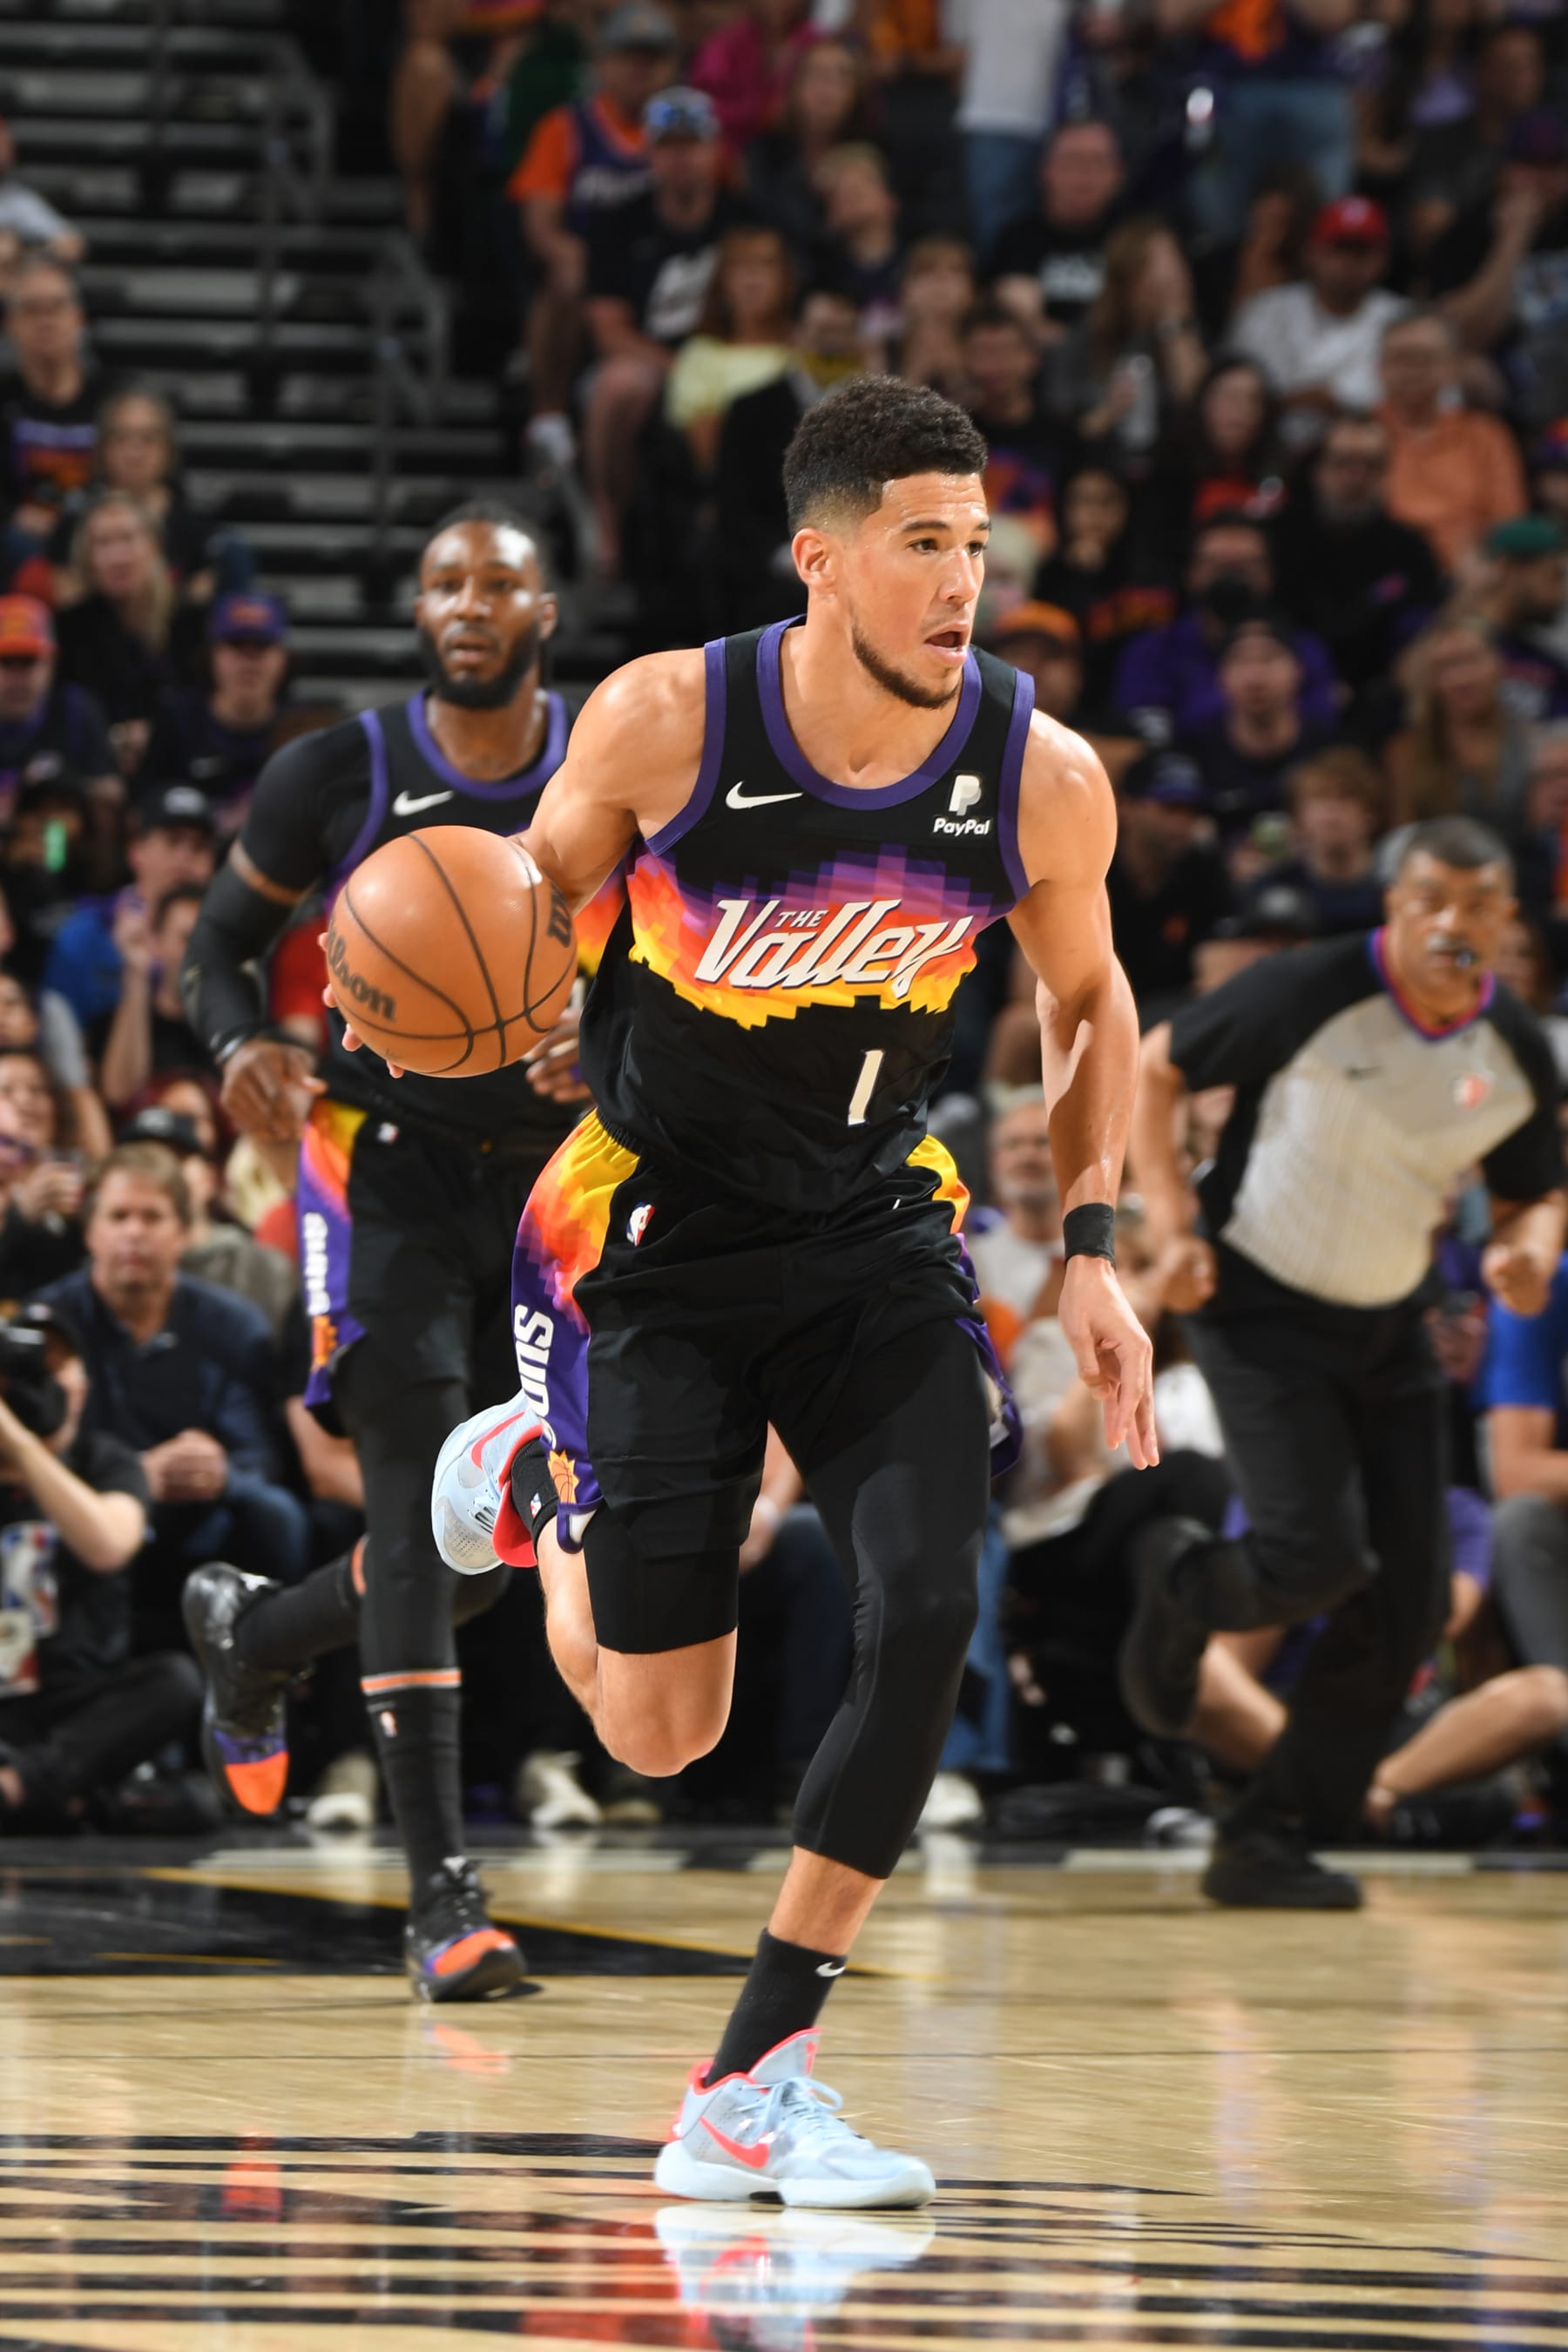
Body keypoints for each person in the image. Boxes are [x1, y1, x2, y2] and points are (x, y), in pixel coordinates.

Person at [426, 375, 1156, 2204]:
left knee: (926, 1611)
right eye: (923, 544)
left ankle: (755, 2073)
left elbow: (1089, 1005)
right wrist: (492, 967)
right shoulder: (674, 717)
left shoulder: (1038, 769)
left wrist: (1090, 1251)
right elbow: (528, 914)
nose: (961, 583)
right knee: (658, 1727)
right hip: (653, 1235)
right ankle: (532, 1495)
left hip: (875, 1231)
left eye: (979, 547)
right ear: (821, 559)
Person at [177, 504, 613, 2004]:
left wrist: (600, 1034)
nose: (469, 602)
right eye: (443, 581)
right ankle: (444, 1901)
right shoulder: (337, 771)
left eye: (498, 579)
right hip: (380, 1164)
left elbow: (684, 947)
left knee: (488, 1546)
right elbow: (214, 943)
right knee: (426, 1496)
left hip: (552, 1174)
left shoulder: (608, 765)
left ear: (547, 604)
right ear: (418, 610)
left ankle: (255, 1635)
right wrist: (238, 1041)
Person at [1125, 816, 1565, 1907]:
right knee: (1313, 1561)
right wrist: (1174, 1223)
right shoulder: (1309, 989)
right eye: (1431, 902)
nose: (1453, 925)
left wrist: (1525, 1250)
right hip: (1257, 1303)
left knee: (1409, 1607)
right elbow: (1155, 1068)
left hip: (1388, 1326)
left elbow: (1533, 1187)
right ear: (1396, 909)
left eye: (1478, 905)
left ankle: (1268, 1835)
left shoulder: (1511, 1046)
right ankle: (1183, 1586)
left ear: (1509, 918)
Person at [33, 1143, 310, 1652]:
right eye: (118, 1216)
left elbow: (263, 1458)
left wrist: (222, 1472)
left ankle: (274, 1678)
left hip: (203, 1517)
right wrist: (135, 1476)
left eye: (152, 1217)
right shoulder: (48, 1326)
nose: (134, 1232)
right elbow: (36, 1462)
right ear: (91, 1232)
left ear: (184, 1234)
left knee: (280, 1517)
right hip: (93, 1519)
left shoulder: (233, 1326)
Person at [0, 1300, 203, 1828]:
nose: (35, 1381)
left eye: (53, 1365)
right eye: (22, 1366)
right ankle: (63, 1798)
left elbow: (108, 1544)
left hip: (77, 1696)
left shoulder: (108, 1462)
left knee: (174, 1681)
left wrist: (23, 1448)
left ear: (82, 1385)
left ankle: (19, 1787)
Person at [505, 1, 677, 473]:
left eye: (654, 58)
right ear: (602, 62)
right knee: (565, 276)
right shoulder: (567, 128)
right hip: (590, 273)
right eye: (629, 56)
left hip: (660, 272)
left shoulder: (683, 133)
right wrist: (587, 259)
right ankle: (549, 416)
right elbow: (540, 223)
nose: (641, 69)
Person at [582, 85, 736, 578]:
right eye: (668, 146)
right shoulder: (617, 224)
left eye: (692, 145)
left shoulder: (746, 219)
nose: (681, 158)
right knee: (616, 385)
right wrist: (683, 369)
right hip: (652, 360)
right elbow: (609, 331)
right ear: (649, 152)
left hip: (730, 358)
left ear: (714, 149)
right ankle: (607, 525)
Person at [1114, 514, 1337, 743]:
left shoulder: (1302, 649)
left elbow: (1319, 733)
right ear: (1192, 573)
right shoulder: (1153, 651)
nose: (1230, 579)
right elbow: (1143, 739)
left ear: (1268, 575)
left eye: (1243, 568)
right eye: (1217, 566)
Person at [1272, 411, 1442, 697]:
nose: (1357, 477)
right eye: (1343, 463)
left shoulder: (1410, 548)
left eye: (1372, 466)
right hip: (1293, 690)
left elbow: (1422, 631)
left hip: (1384, 693)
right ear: (1319, 470)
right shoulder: (1278, 538)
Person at [42, 782, 215, 1044]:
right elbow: (58, 1032)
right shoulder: (88, 930)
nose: (185, 858)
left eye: (199, 847)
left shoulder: (226, 938)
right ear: (136, 852)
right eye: (172, 841)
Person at [1231, 197, 1408, 446]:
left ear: (1382, 259)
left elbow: (1437, 405)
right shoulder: (1265, 311)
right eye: (1339, 248)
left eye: (1361, 251)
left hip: (1373, 456)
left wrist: (1343, 408)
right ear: (1311, 252)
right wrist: (1289, 402)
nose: (1349, 263)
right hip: (1268, 448)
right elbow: (1227, 389)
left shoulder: (1404, 321)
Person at [55, 491, 203, 768]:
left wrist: (157, 735)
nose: (118, 557)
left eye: (128, 539)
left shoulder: (193, 621)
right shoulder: (70, 627)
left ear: (154, 546)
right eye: (103, 544)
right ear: (87, 560)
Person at [1042, 220, 1206, 468]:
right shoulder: (1084, 340)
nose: (1168, 281)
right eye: (1154, 269)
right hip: (1097, 467)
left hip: (1169, 470)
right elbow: (1059, 432)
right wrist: (1109, 411)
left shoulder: (1185, 334)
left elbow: (1197, 401)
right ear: (1128, 276)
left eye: (1175, 267)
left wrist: (1172, 323)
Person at [133, 592, 294, 838]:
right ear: (213, 655)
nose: (249, 662)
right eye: (237, 645)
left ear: (282, 657)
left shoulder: (299, 730)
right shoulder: (176, 721)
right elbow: (142, 810)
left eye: (261, 647)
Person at [1378, 309, 1526, 572]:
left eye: (1425, 358)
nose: (1412, 370)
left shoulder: (1486, 435)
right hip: (1383, 577)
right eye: (1401, 358)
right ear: (1380, 366)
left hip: (1471, 578)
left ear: (1451, 367)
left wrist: (1486, 565)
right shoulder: (1358, 434)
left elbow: (1509, 525)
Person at [1179, 614, 1334, 841]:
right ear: (1221, 676)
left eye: (1268, 659)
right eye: (1241, 661)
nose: (1255, 675)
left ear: (1298, 670)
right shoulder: (1194, 755)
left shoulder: (1327, 751)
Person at [1105, 748, 1233, 1010]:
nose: (1182, 822)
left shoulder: (1204, 870)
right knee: (1020, 1024)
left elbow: (1216, 969)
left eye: (1191, 811)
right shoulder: (1092, 867)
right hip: (1091, 1008)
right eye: (1170, 808)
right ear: (1126, 806)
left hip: (1172, 1015)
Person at [664, 225, 795, 473]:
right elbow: (708, 455)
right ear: (722, 282)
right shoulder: (701, 354)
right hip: (743, 491)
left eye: (765, 264)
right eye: (740, 267)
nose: (752, 277)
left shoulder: (809, 349)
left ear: (787, 279)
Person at [1385, 617, 1534, 836]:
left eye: (1472, 660)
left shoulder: (1532, 741)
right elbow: (1403, 840)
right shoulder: (1406, 753)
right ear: (1430, 680)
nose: (1462, 679)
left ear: (1498, 664)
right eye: (1446, 667)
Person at [988, 119, 1125, 340]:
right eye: (1073, 161)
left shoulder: (1136, 238)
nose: (1085, 174)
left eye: (1098, 162)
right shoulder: (1016, 237)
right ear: (1046, 170)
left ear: (1118, 174)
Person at [0, 256, 101, 546]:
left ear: (78, 318)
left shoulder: (117, 402)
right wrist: (12, 514)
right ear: (12, 323)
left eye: (56, 307)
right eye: (31, 310)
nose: (45, 321)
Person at [0, 593, 116, 825]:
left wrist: (67, 786)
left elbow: (112, 793)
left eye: (28, 663)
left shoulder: (76, 710)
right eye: (6, 663)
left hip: (56, 843)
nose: (17, 679)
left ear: (51, 664)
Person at [98, 882, 213, 1111]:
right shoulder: (116, 1020)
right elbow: (120, 1095)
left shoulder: (235, 1022)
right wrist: (137, 976)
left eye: (209, 941)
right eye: (186, 939)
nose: (199, 953)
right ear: (156, 942)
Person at [1258, 747, 1385, 935]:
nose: (1331, 809)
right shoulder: (1272, 891)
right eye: (1319, 797)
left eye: (1345, 796)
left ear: (1370, 815)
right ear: (1298, 819)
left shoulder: (1394, 888)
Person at [1474, 516, 1568, 724]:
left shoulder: (1548, 665)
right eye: (1554, 576)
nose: (1561, 594)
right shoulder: (1449, 647)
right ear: (1510, 568)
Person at [0, 118, 83, 264]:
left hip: (12, 277)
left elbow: (72, 245)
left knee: (52, 283)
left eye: (6, 144)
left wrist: (22, 254)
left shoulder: (16, 199)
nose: (5, 151)